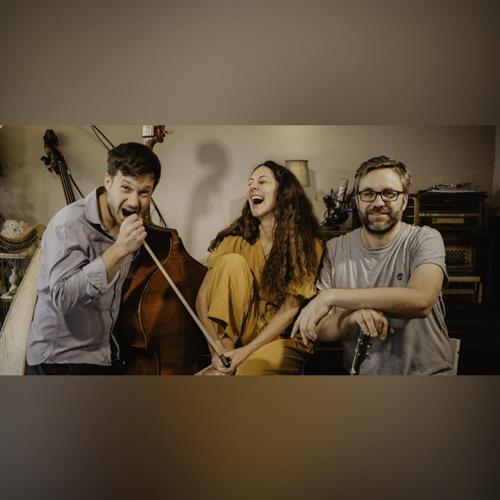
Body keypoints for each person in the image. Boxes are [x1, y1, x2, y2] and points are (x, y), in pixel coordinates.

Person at [292, 156, 453, 375]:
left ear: (404, 200)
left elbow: (422, 301)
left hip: (428, 377)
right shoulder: (335, 249)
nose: (378, 203)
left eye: (389, 193)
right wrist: (350, 317)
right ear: (357, 200)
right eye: (368, 193)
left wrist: (331, 296)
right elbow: (318, 329)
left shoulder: (425, 239)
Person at [26, 142, 161, 375]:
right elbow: (63, 297)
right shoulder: (68, 224)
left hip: (102, 354)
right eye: (126, 188)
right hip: (60, 360)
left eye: (144, 192)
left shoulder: (128, 226)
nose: (134, 202)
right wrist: (119, 250)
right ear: (108, 181)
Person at [196, 160, 324, 375]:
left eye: (262, 182)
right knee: (231, 261)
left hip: (282, 338)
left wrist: (245, 352)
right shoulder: (234, 240)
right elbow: (202, 299)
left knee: (248, 373)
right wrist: (216, 348)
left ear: (283, 193)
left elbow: (289, 308)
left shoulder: (307, 244)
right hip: (240, 337)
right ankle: (225, 361)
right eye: (250, 183)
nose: (252, 187)